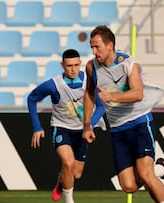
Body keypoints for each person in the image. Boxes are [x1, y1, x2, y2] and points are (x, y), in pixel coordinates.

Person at [82, 25, 164, 203]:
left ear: (110, 45)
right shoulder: (91, 67)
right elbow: (88, 94)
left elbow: (138, 94)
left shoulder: (129, 64)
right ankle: (161, 169)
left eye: (97, 47)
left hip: (139, 122)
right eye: (92, 48)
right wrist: (87, 124)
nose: (94, 52)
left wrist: (111, 96)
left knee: (145, 175)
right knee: (129, 186)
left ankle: (156, 173)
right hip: (118, 129)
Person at [27, 49, 105, 203]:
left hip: (82, 131)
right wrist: (37, 127)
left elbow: (101, 107)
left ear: (80, 64)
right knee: (68, 162)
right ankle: (69, 200)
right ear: (62, 65)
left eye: (76, 65)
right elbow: (31, 98)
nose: (73, 69)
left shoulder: (90, 81)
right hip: (61, 127)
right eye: (69, 65)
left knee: (75, 174)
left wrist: (89, 126)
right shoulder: (53, 85)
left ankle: (61, 181)